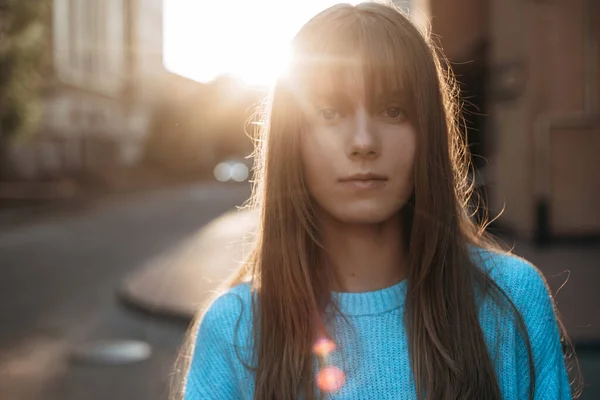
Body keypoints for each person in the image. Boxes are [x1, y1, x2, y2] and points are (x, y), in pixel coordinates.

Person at [178, 2, 580, 399]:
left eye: (393, 110)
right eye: (330, 112)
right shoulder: (234, 329)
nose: (364, 143)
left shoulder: (511, 300)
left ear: (428, 131)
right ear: (291, 140)